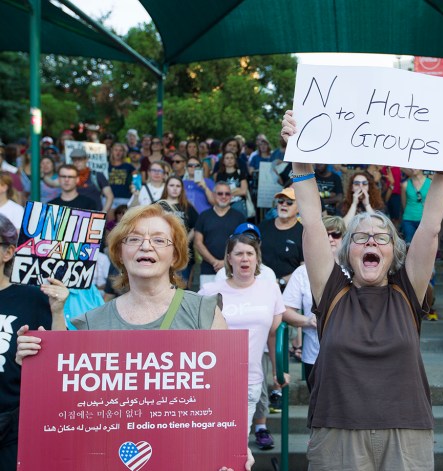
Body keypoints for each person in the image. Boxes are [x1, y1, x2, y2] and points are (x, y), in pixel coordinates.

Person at [281, 110, 443, 470]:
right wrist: (299, 155)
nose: (371, 241)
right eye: (361, 237)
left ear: (394, 251)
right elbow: (313, 225)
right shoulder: (331, 290)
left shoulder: (407, 290)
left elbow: (430, 227)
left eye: (382, 237)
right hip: (337, 431)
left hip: (406, 432)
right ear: (346, 252)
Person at [15, 204, 254, 470]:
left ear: (175, 255)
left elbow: (224, 396)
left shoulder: (203, 312)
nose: (146, 246)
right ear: (120, 252)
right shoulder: (92, 322)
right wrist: (38, 361)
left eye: (159, 240)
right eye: (134, 239)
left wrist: (234, 447)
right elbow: (68, 402)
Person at [198, 231, 287, 452]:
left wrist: (278, 372)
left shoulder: (270, 289)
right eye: (238, 254)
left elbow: (273, 334)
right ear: (229, 258)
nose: (244, 258)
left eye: (249, 253)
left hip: (250, 380)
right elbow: (196, 333)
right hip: (214, 381)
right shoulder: (210, 291)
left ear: (257, 258)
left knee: (237, 445)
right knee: (215, 444)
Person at [0, 215, 69, 470]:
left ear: (8, 252)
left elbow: (62, 361)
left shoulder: (32, 298)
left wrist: (58, 312)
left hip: (13, 428)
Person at [282, 216, 345, 386]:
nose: (330, 239)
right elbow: (284, 310)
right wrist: (308, 321)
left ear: (344, 238)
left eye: (336, 234)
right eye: (325, 234)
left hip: (349, 354)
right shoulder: (302, 272)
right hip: (315, 355)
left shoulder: (356, 269)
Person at [195, 182, 246, 287]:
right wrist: (214, 262)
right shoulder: (204, 216)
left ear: (231, 196)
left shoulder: (240, 217)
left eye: (227, 194)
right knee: (207, 298)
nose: (224, 196)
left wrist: (225, 262)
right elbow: (198, 243)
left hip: (233, 270)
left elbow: (243, 244)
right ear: (214, 195)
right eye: (220, 193)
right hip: (208, 270)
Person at [258, 187, 303, 291]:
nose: (284, 204)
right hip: (261, 286)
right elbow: (253, 254)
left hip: (289, 290)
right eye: (281, 201)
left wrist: (281, 282)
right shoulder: (263, 226)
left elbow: (304, 269)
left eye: (289, 202)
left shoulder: (303, 233)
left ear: (299, 208)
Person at [159, 176, 199, 287]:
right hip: (161, 250)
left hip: (182, 252)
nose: (175, 188)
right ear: (166, 187)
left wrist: (186, 241)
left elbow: (197, 225)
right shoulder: (157, 205)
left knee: (181, 287)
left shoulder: (187, 206)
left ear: (182, 189)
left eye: (178, 186)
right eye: (172, 185)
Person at [70, 148, 114, 213]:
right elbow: (55, 183)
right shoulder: (69, 176)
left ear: (86, 159)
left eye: (80, 159)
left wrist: (103, 212)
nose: (77, 162)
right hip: (74, 214)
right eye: (74, 160)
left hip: (94, 214)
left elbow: (110, 196)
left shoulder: (97, 175)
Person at [400, 168, 431, 244]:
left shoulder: (430, 183)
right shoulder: (405, 184)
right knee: (409, 244)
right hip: (408, 219)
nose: (412, 168)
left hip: (424, 220)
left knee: (423, 245)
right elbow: (404, 203)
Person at [215, 151, 249, 217]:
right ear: (223, 161)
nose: (229, 160)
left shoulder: (240, 173)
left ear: (235, 160)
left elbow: (243, 191)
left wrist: (227, 193)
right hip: (224, 204)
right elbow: (218, 192)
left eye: (231, 158)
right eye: (227, 158)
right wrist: (237, 190)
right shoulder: (220, 175)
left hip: (239, 204)